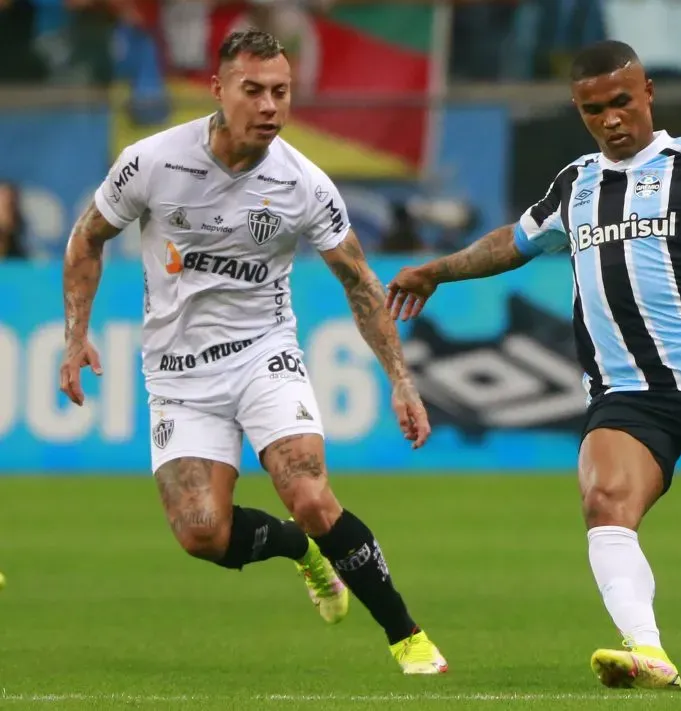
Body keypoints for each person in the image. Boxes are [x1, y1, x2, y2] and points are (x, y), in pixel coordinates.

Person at [386, 39, 681, 690]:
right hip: (629, 396)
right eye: (593, 110)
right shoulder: (576, 183)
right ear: (579, 111)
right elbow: (515, 240)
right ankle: (648, 650)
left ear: (647, 93)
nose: (611, 118)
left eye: (621, 101)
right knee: (604, 500)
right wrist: (438, 272)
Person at [59, 29, 447, 675]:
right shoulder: (152, 161)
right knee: (201, 534)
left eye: (281, 92)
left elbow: (357, 279)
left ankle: (407, 636)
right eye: (254, 91)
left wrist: (400, 379)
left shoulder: (303, 182)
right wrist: (76, 335)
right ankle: (301, 552)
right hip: (177, 372)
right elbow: (87, 237)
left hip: (263, 353)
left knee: (309, 490)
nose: (270, 106)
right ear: (218, 90)